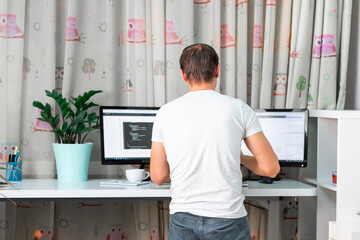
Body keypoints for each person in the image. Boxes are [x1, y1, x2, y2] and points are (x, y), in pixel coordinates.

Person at [150, 43, 279, 240]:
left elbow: (158, 177)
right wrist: (241, 158)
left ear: (183, 74)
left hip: (183, 220)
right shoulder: (238, 109)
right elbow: (270, 169)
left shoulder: (165, 113)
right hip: (228, 220)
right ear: (217, 70)